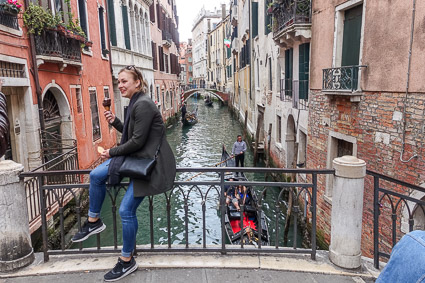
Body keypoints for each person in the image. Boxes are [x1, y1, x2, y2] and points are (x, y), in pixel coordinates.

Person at [71, 65, 176, 282]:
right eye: (118, 81)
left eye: (124, 81)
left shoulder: (143, 105)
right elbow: (134, 135)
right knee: (96, 176)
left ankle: (127, 260)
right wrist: (116, 122)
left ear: (137, 82)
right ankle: (94, 221)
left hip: (149, 165)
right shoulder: (136, 103)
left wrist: (111, 152)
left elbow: (136, 142)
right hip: (139, 159)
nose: (120, 85)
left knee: (125, 210)